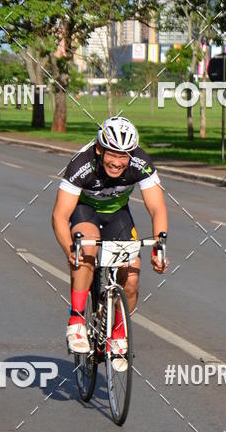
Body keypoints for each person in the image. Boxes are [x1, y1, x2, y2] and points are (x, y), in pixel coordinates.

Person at [51, 115, 168, 356]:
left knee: (132, 276)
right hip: (85, 210)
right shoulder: (81, 164)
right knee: (86, 251)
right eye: (112, 154)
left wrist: (159, 248)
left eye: (123, 156)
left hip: (117, 214)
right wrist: (69, 249)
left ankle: (118, 333)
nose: (117, 162)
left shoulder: (140, 162)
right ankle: (76, 321)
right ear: (99, 149)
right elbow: (59, 216)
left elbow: (157, 208)